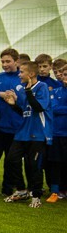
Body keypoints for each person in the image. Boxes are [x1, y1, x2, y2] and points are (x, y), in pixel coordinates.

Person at [3, 61, 51, 208]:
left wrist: (29, 91)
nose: (19, 74)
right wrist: (14, 105)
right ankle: (21, 190)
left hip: (38, 134)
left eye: (22, 72)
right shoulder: (25, 90)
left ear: (31, 74)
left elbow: (39, 107)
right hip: (22, 133)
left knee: (34, 166)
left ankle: (36, 196)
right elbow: (25, 112)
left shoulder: (42, 87)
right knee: (11, 160)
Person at [0, 48, 23, 197]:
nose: (5, 64)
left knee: (11, 160)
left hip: (15, 128)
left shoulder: (22, 79)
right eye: (3, 61)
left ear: (17, 61)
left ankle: (7, 189)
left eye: (8, 61)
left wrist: (15, 99)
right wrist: (0, 94)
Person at [47, 65, 67, 202]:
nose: (65, 77)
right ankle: (55, 191)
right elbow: (53, 108)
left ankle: (64, 189)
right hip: (57, 133)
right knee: (55, 163)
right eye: (64, 74)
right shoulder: (54, 91)